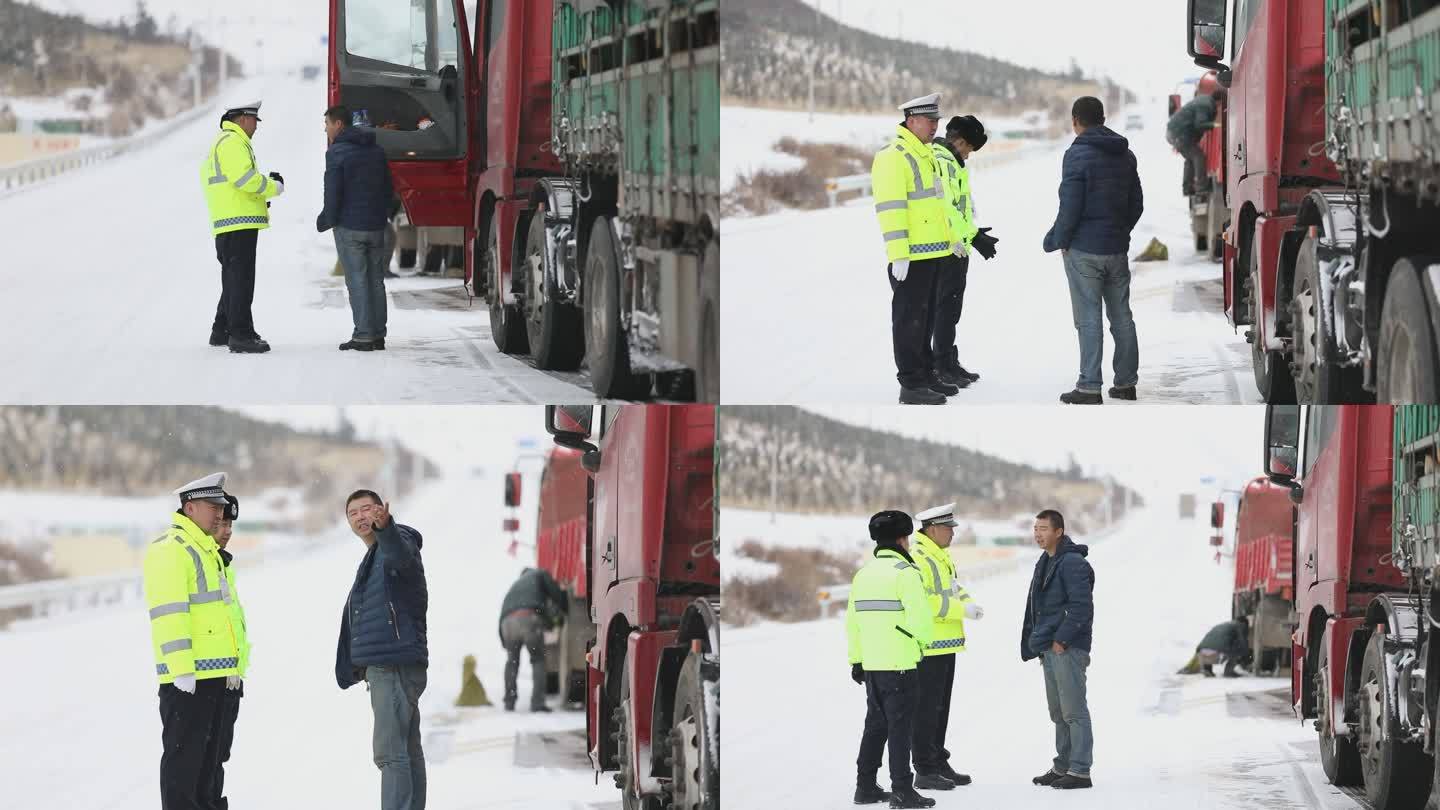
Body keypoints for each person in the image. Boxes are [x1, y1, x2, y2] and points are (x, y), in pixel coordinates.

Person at [144, 473, 247, 810]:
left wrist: (234, 667)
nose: (220, 513)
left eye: (221, 506)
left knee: (210, 767)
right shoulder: (171, 549)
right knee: (184, 769)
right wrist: (181, 671)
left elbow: (223, 618)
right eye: (212, 506)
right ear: (190, 508)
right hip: (190, 681)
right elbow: (170, 615)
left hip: (217, 678)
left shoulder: (208, 551)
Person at [1042, 96, 1144, 405]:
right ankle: (1126, 383)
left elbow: (1070, 205)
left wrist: (1055, 240)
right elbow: (1136, 204)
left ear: (1076, 121)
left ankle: (1089, 386)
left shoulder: (1077, 155)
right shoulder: (1125, 154)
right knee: (1122, 317)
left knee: (1088, 318)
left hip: (1085, 250)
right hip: (1116, 248)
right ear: (1102, 118)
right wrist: (1119, 231)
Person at [335, 490, 429, 810]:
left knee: (390, 754)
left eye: (367, 509)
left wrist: (386, 527)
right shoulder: (373, 557)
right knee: (406, 750)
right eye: (353, 513)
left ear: (382, 510)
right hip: (397, 665)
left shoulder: (397, 540)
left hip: (393, 666)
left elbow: (400, 557)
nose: (361, 517)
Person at [871, 93, 958, 405]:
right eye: (929, 120)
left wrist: (953, 239)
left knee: (927, 320)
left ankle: (925, 374)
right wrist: (898, 254)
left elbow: (938, 203)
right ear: (911, 121)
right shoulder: (893, 156)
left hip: (934, 252)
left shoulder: (927, 153)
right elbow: (891, 209)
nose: (935, 126)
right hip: (912, 256)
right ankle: (910, 383)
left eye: (937, 121)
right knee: (909, 321)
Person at [847, 510, 936, 808]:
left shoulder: (863, 574)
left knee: (875, 725)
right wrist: (920, 644)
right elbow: (922, 621)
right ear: (903, 539)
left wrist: (857, 660)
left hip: (872, 664)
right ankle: (902, 789)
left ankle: (866, 786)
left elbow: (853, 623)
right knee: (900, 727)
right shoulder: (905, 573)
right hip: (900, 663)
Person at [908, 503, 984, 791]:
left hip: (946, 644)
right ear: (933, 529)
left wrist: (968, 603)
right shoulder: (919, 557)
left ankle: (938, 761)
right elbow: (926, 602)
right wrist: (961, 611)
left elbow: (953, 588)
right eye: (949, 528)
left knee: (940, 709)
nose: (953, 533)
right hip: (928, 646)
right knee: (926, 710)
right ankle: (924, 769)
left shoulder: (940, 556)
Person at [202, 101, 285, 354]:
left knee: (233, 278)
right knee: (241, 280)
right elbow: (244, 180)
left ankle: (222, 330)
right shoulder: (232, 142)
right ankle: (241, 335)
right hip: (238, 221)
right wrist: (274, 187)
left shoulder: (227, 141)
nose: (256, 127)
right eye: (254, 121)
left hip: (232, 221)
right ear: (242, 119)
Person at [1021, 509, 1096, 790]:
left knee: (1074, 710)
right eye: (1035, 528)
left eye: (1043, 528)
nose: (1038, 534)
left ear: (1059, 532)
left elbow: (1081, 607)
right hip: (1050, 648)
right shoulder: (1046, 560)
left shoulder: (1072, 563)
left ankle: (1080, 771)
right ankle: (1063, 765)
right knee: (1058, 711)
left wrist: (1062, 640)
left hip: (1068, 647)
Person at [319, 105, 396, 351]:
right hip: (375, 225)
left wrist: (326, 219)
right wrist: (382, 215)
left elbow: (333, 192)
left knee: (357, 280)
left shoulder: (337, 152)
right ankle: (377, 334)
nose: (326, 128)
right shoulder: (376, 150)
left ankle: (363, 335)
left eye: (328, 124)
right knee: (375, 280)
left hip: (349, 226)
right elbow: (387, 188)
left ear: (339, 124)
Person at [929, 116, 998, 387]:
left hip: (956, 245)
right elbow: (946, 206)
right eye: (969, 149)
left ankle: (947, 360)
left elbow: (960, 207)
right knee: (944, 309)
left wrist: (974, 233)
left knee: (951, 308)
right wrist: (971, 236)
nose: (969, 155)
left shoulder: (951, 161)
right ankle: (940, 365)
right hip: (946, 247)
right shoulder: (943, 162)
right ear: (959, 141)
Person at [205, 494, 249, 810]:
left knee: (218, 757)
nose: (227, 530)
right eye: (220, 522)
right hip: (206, 679)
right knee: (203, 760)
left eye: (231, 523)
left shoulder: (223, 563)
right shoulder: (202, 562)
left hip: (229, 678)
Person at [498, 567, 569, 712]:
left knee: (512, 662)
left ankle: (509, 702)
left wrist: (504, 641)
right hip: (528, 619)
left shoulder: (515, 586)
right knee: (538, 660)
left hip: (507, 624)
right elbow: (554, 592)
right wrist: (564, 607)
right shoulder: (539, 574)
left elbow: (503, 613)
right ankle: (537, 703)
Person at [1166, 78, 1223, 196]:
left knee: (1190, 158)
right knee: (1198, 156)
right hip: (1178, 134)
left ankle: (1187, 188)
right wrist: (1215, 125)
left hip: (1174, 132)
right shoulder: (1206, 105)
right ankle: (1201, 187)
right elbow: (1200, 124)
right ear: (1219, 102)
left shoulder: (1203, 100)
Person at [1178, 618, 1250, 677]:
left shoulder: (1220, 625)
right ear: (1244, 624)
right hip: (1215, 656)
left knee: (1213, 646)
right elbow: (1243, 644)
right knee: (1238, 649)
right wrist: (1247, 656)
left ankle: (1207, 670)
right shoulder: (1240, 626)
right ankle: (1228, 672)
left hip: (1200, 656)